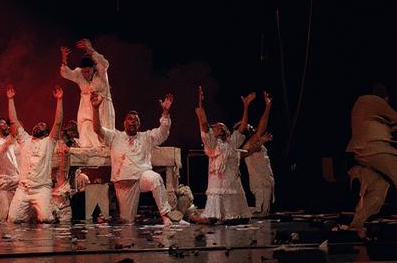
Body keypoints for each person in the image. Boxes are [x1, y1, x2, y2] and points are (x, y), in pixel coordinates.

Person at [91, 92, 184, 225]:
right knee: (127, 222)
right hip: (124, 184)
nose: (133, 121)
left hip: (142, 178)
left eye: (136, 120)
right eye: (130, 119)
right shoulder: (114, 136)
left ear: (139, 124)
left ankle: (166, 216)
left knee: (155, 178)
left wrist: (165, 112)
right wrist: (95, 108)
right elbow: (97, 129)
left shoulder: (146, 137)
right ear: (124, 123)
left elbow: (163, 132)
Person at [194, 86, 253, 223]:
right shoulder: (212, 143)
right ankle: (193, 217)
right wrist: (201, 104)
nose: (217, 127)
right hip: (217, 184)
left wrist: (246, 106)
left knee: (240, 219)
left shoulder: (232, 142)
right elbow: (204, 125)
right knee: (212, 219)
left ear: (227, 130)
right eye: (215, 127)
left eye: (221, 126)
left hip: (232, 182)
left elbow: (243, 127)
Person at [7, 84, 65, 223]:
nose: (38, 125)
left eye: (42, 125)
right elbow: (13, 120)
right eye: (37, 124)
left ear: (46, 132)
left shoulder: (49, 142)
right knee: (13, 219)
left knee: (45, 219)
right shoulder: (25, 139)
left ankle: (52, 210)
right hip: (23, 189)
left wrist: (59, 100)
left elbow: (58, 123)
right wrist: (10, 100)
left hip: (41, 189)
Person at [346, 83, 397, 231]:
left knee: (379, 187)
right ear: (385, 98)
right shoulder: (375, 102)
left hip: (362, 153)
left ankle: (356, 225)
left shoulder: (361, 105)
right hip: (375, 151)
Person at [60, 39, 116, 148]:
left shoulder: (101, 73)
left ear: (93, 69)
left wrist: (90, 49)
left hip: (103, 108)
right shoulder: (79, 74)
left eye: (88, 71)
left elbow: (105, 63)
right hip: (86, 109)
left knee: (103, 137)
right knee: (86, 131)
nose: (85, 74)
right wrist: (64, 59)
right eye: (84, 71)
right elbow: (66, 73)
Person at [236, 92, 274, 216]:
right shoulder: (246, 145)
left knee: (263, 211)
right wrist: (267, 107)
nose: (250, 126)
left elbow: (260, 131)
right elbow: (260, 131)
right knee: (261, 211)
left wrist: (267, 107)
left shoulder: (252, 143)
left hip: (265, 180)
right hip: (260, 183)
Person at [0, 115, 19, 221]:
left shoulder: (10, 142)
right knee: (6, 215)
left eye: (6, 124)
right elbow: (2, 149)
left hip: (17, 180)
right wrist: (12, 133)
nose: (6, 126)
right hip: (5, 182)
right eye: (4, 124)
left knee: (17, 215)